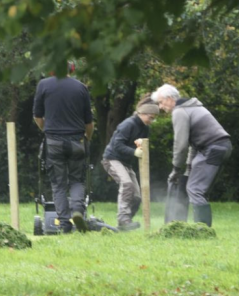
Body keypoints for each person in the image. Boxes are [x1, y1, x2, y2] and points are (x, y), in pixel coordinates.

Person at [151, 84, 232, 227]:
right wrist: (187, 170)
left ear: (169, 99)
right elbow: (194, 144)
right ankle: (198, 227)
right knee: (197, 189)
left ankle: (203, 230)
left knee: (195, 189)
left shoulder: (180, 111)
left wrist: (176, 169)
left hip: (212, 149)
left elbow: (180, 144)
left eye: (161, 102)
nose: (160, 107)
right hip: (221, 147)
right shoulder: (192, 107)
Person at [33, 62, 94, 233]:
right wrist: (87, 139)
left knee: (58, 184)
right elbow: (89, 122)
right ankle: (77, 212)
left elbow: (37, 117)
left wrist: (48, 131)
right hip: (77, 141)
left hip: (54, 142)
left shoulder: (43, 85)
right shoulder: (81, 87)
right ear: (71, 70)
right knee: (77, 180)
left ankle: (65, 224)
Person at [101, 97, 160, 231]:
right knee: (127, 184)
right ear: (142, 113)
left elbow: (142, 144)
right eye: (151, 117)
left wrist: (140, 146)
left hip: (126, 163)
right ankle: (123, 220)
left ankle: (126, 224)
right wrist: (134, 152)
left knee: (137, 197)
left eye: (154, 118)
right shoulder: (128, 124)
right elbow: (117, 145)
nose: (152, 121)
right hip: (112, 159)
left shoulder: (144, 128)